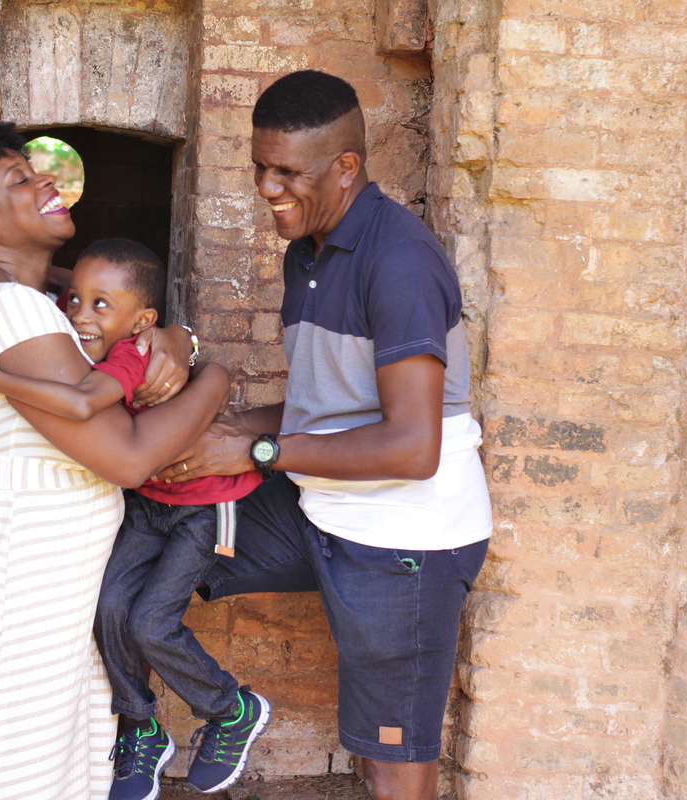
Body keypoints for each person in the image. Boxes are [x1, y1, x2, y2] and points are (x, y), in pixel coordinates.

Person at [154, 71, 493, 800]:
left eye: (287, 173)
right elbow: (332, 404)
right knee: (155, 532)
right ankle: (163, 726)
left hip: (407, 538)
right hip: (323, 507)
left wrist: (255, 451)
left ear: (347, 168)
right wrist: (236, 425)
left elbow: (411, 445)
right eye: (259, 167)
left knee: (391, 759)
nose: (267, 188)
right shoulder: (306, 248)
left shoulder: (397, 261)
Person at [0, 119, 224, 800]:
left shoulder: (28, 302)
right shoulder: (7, 308)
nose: (46, 181)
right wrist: (214, 378)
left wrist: (174, 337)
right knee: (3, 774)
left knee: (45, 769)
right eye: (20, 181)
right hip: (16, 573)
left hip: (39, 575)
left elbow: (113, 329)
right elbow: (127, 455)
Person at [0, 238, 270, 800]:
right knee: (109, 607)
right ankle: (141, 728)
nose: (79, 314)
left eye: (100, 305)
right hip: (149, 503)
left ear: (142, 319)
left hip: (201, 505)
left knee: (149, 621)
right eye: (74, 300)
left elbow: (77, 404)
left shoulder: (129, 356)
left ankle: (230, 708)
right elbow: (61, 287)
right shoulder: (84, 339)